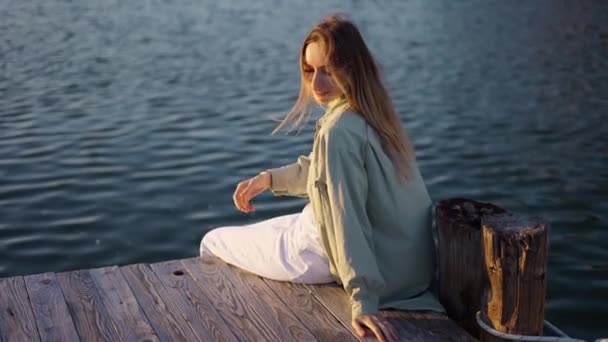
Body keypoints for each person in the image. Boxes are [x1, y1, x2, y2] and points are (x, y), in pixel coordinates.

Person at [200, 13, 445, 342]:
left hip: (327, 252)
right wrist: (269, 180)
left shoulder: (339, 130)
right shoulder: (377, 114)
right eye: (309, 70)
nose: (316, 84)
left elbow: (347, 219)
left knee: (214, 241)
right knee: (277, 227)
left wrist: (363, 300)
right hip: (410, 274)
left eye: (328, 70)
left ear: (353, 67)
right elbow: (324, 172)